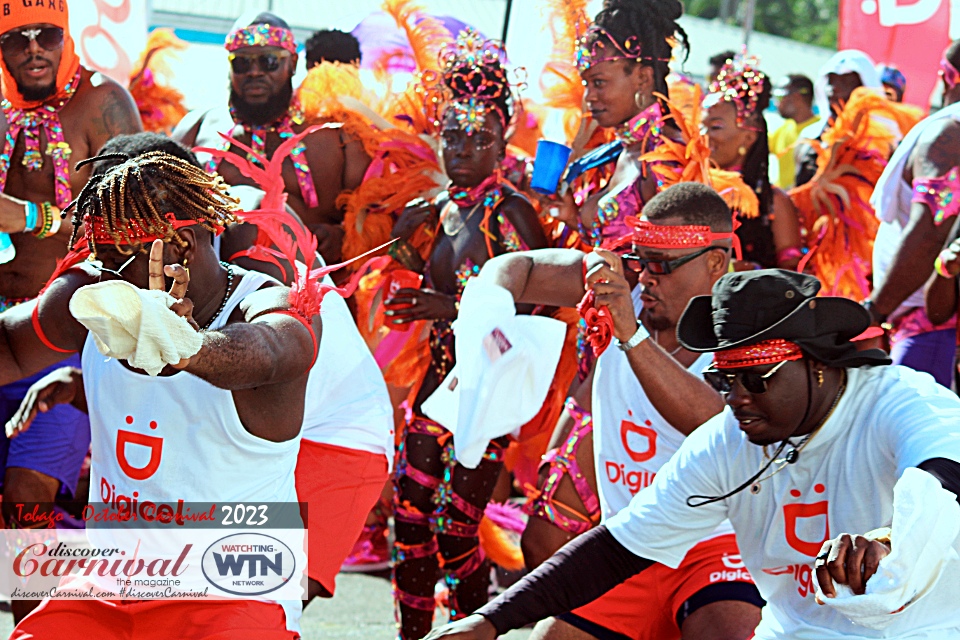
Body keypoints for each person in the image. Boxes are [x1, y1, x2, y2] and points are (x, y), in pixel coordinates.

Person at [423, 269, 960, 640]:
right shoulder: (733, 437)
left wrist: (890, 537)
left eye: (756, 378)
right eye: (724, 381)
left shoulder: (898, 400)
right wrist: (490, 620)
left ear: (817, 364)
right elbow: (617, 548)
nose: (737, 399)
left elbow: (944, 473)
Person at [38, 131, 394, 604]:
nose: (102, 233)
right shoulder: (131, 250)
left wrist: (194, 348)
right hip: (242, 412)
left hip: (334, 428)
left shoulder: (254, 241)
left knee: (260, 592)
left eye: (123, 218)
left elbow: (271, 349)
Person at [0, 150, 320, 638]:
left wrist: (189, 349)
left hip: (229, 590)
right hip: (107, 585)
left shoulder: (261, 303)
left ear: (182, 246)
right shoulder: (94, 296)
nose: (98, 276)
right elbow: (8, 346)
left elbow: (279, 348)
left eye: (115, 261)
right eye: (95, 257)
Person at [477, 183, 763, 640]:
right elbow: (516, 266)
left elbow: (713, 421)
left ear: (715, 262)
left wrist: (629, 335)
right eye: (639, 262)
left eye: (663, 266)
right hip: (631, 543)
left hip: (713, 549)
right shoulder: (625, 292)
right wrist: (487, 313)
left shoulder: (754, 321)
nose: (646, 278)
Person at [384, 29, 549, 640]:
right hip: (441, 381)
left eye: (478, 137)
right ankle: (414, 634)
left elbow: (533, 312)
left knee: (456, 528)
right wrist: (406, 231)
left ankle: (476, 632)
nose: (461, 148)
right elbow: (406, 265)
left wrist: (445, 307)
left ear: (502, 141)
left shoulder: (513, 214)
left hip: (493, 388)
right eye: (452, 135)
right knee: (408, 517)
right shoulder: (444, 209)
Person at [0, 0, 141, 620]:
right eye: (16, 38)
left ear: (67, 37)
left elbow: (130, 216)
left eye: (46, 35)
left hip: (61, 331)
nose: (33, 49)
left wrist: (32, 218)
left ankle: (44, 627)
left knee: (27, 496)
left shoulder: (104, 103)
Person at [173, 11, 371, 265]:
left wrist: (342, 235)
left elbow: (378, 215)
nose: (254, 72)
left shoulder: (337, 136)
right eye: (242, 63)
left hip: (310, 290)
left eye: (268, 61)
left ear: (293, 63)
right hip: (210, 293)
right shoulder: (197, 129)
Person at [866, 40, 960, 388]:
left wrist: (875, 309)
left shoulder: (948, 134)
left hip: (930, 328)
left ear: (947, 77)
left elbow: (930, 231)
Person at [703, 54, 803, 269]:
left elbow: (792, 277)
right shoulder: (690, 189)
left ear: (748, 137)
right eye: (701, 127)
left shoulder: (773, 204)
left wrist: (748, 273)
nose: (703, 136)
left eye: (716, 127)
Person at [768, 75, 817, 189]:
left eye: (779, 96)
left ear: (796, 97)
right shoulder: (784, 129)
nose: (775, 103)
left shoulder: (823, 131)